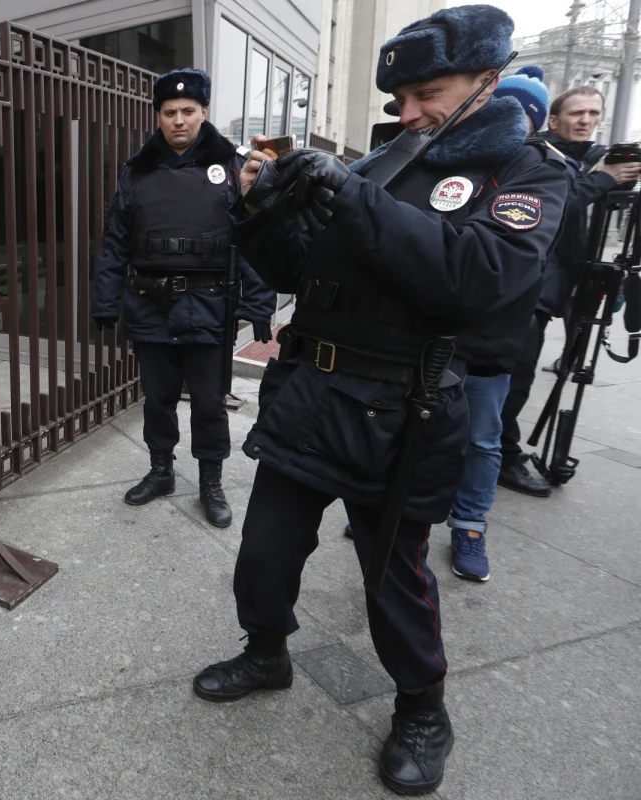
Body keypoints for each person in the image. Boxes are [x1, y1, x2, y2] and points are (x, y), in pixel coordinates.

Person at [191, 6, 568, 795]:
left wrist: (353, 198)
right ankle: (267, 650)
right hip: (313, 393)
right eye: (399, 99)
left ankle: (423, 709)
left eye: (426, 92)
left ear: (486, 82)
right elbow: (303, 269)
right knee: (264, 554)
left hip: (407, 410)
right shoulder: (386, 163)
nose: (409, 113)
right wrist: (262, 212)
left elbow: (477, 280)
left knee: (392, 575)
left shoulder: (527, 173)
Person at [90, 68, 276, 528]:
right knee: (158, 398)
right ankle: (161, 471)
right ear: (158, 116)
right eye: (169, 112)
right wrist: (103, 301)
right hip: (149, 303)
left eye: (188, 111)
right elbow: (115, 241)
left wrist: (259, 307)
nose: (178, 120)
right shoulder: (137, 172)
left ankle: (210, 482)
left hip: (210, 305)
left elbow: (253, 238)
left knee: (210, 402)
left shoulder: (233, 168)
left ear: (204, 112)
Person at [498, 85, 641, 497]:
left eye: (593, 114)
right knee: (513, 378)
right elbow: (553, 204)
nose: (585, 121)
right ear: (554, 120)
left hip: (555, 286)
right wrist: (603, 180)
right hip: (525, 288)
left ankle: (500, 448)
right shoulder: (539, 153)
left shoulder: (587, 160)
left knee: (516, 378)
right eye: (576, 113)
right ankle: (499, 455)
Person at [444, 65, 554, 582]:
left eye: (523, 114)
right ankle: (391, 509)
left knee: (483, 439)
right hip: (436, 333)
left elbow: (516, 259)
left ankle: (468, 525)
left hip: (493, 339)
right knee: (411, 431)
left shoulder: (540, 173)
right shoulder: (460, 164)